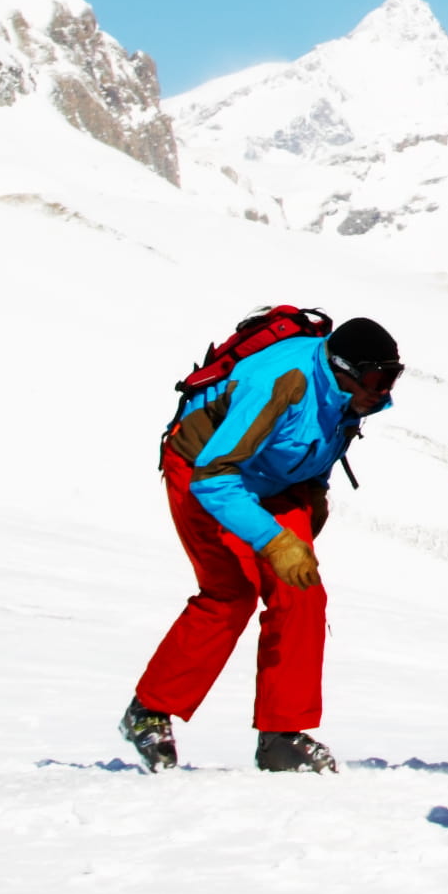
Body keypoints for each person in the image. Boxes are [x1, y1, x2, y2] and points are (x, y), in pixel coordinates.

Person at [123, 311, 405, 773]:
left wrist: (314, 490)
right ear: (343, 370)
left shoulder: (354, 397)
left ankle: (282, 737)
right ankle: (149, 710)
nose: (384, 389)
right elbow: (213, 477)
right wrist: (273, 540)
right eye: (377, 377)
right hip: (205, 472)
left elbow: (316, 437)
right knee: (230, 593)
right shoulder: (279, 382)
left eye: (392, 377)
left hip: (274, 481)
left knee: (302, 592)